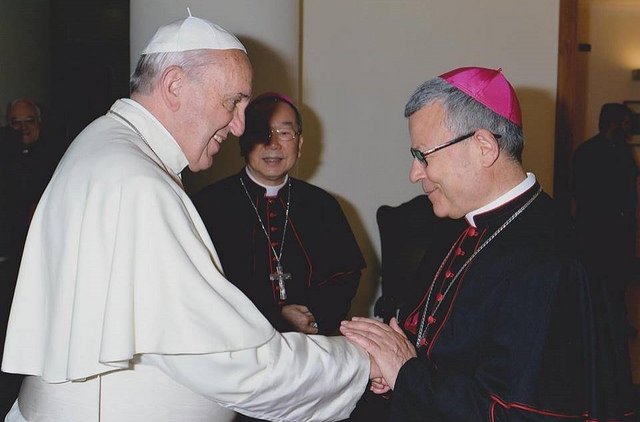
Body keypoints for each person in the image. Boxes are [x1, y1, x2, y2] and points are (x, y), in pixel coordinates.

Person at [1, 12, 376, 422]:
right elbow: (236, 364)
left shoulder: (104, 145)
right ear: (175, 86)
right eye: (232, 102)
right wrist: (361, 360)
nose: (239, 127)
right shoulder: (138, 182)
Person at [340, 67, 635, 421]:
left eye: (423, 156)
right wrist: (389, 368)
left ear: (483, 147)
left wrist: (406, 374)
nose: (414, 174)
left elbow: (514, 413)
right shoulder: (460, 223)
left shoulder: (550, 261)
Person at [192, 92, 365, 339]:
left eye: (284, 133)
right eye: (260, 132)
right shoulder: (209, 205)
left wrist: (315, 316)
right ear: (243, 142)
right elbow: (202, 286)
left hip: (312, 342)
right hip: (234, 343)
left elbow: (345, 275)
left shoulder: (322, 206)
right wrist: (276, 316)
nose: (272, 144)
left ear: (299, 144)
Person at [572, 103, 637, 339]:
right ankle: (596, 327)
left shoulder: (623, 151)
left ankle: (617, 322)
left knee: (618, 279)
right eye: (625, 124)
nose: (629, 130)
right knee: (595, 278)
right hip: (595, 227)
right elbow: (581, 191)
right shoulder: (588, 152)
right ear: (613, 124)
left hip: (620, 227)